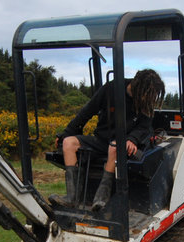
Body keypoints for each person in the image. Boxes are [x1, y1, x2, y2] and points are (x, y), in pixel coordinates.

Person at [50, 69, 165, 211]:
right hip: (101, 139)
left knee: (114, 146)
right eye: (150, 94)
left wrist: (132, 139)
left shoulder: (145, 102)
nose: (150, 99)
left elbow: (144, 126)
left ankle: (101, 198)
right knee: (69, 143)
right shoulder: (111, 89)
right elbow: (86, 112)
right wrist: (65, 134)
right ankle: (72, 198)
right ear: (139, 87)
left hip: (122, 144)